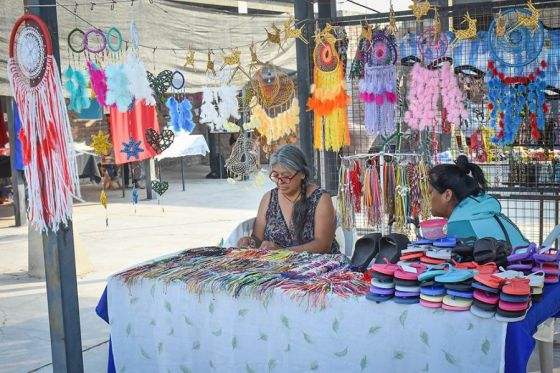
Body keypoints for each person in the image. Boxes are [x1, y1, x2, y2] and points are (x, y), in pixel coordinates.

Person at [237, 144, 339, 254]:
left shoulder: (320, 199)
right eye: (276, 176)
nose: (280, 181)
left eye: (286, 176)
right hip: (277, 266)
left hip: (318, 265)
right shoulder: (269, 199)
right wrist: (250, 242)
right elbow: (258, 238)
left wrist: (282, 251)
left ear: (302, 174)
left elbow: (323, 245)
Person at [429, 155, 529, 248]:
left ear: (447, 195)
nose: (427, 198)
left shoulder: (458, 226)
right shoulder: (487, 211)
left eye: (430, 192)